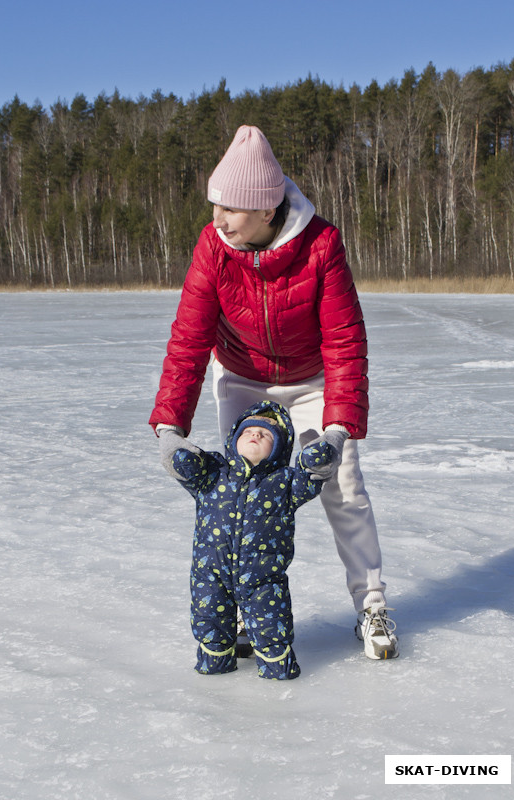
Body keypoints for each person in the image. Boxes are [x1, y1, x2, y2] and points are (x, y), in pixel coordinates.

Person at [150, 124, 398, 661]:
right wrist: (170, 427)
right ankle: (239, 610)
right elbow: (189, 337)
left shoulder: (321, 246)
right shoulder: (213, 248)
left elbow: (344, 340)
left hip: (312, 383)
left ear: (267, 210)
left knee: (343, 488)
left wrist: (337, 427)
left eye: (231, 209)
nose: (218, 219)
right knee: (234, 494)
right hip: (242, 379)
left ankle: (371, 605)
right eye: (215, 205)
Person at [163, 399, 335, 679]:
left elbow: (311, 477)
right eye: (248, 432)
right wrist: (182, 454)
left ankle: (278, 671)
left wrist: (317, 458)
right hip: (210, 575)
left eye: (265, 435)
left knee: (272, 629)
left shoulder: (285, 482)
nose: (255, 435)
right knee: (210, 626)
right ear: (233, 441)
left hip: (263, 580)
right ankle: (214, 669)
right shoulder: (213, 473)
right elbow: (188, 467)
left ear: (278, 449)